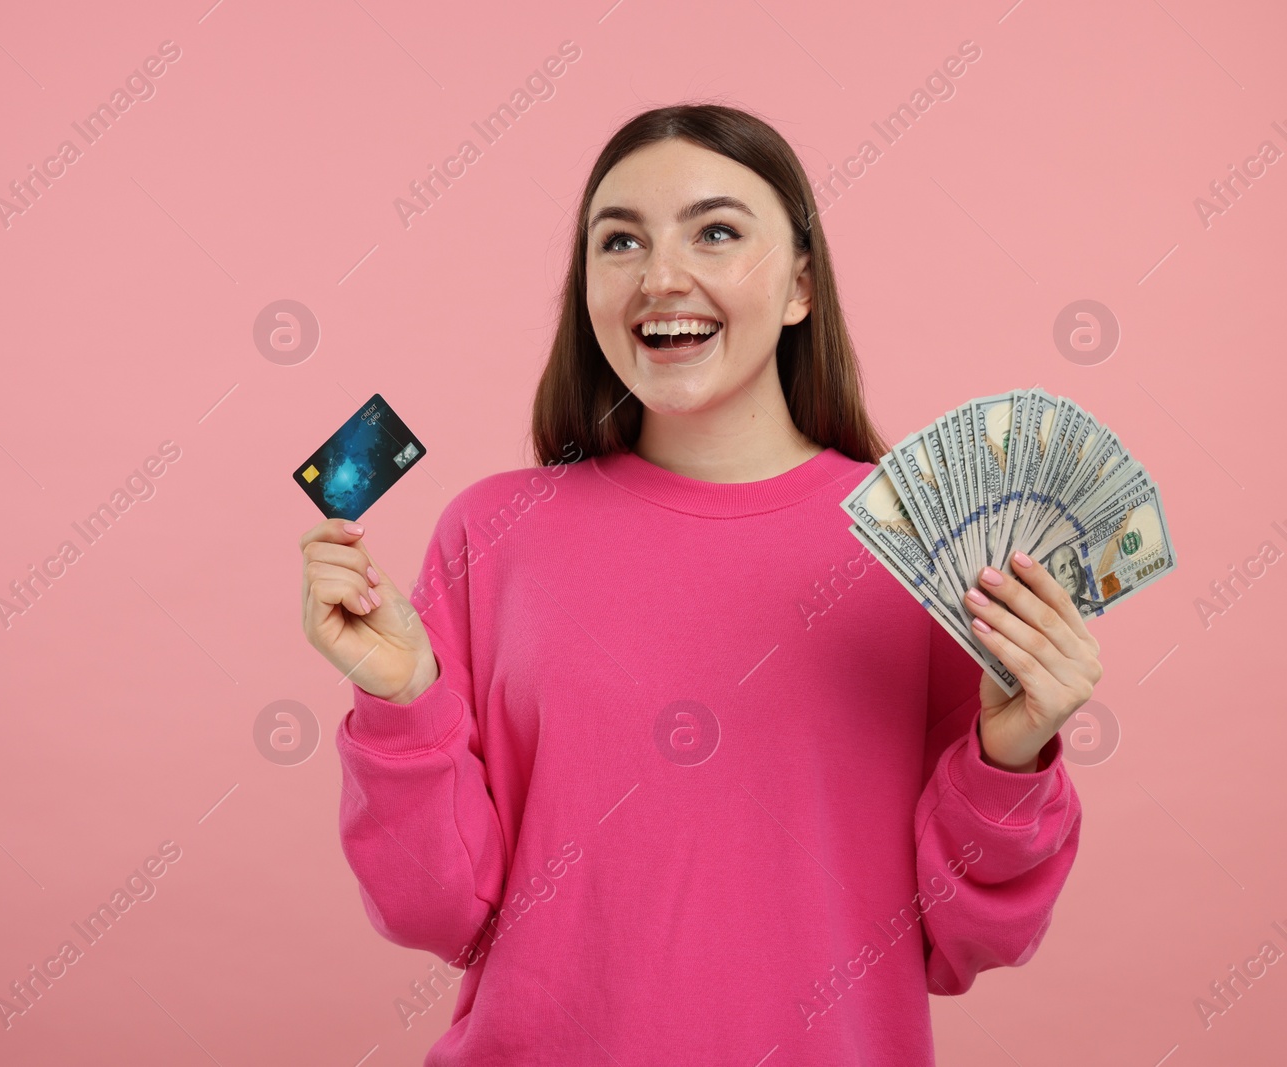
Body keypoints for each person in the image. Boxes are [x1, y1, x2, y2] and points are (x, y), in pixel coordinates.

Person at [299, 104, 1100, 1065]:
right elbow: (438, 912)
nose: (660, 277)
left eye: (716, 232)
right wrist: (399, 703)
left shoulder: (924, 552)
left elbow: (970, 939)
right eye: (620, 241)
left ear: (802, 284)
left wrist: (1011, 759)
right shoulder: (492, 531)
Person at [1044, 542, 1108, 618]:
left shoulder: (1101, 607)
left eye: (1074, 564)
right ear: (1053, 580)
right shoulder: (1050, 619)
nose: (1071, 573)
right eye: (1063, 570)